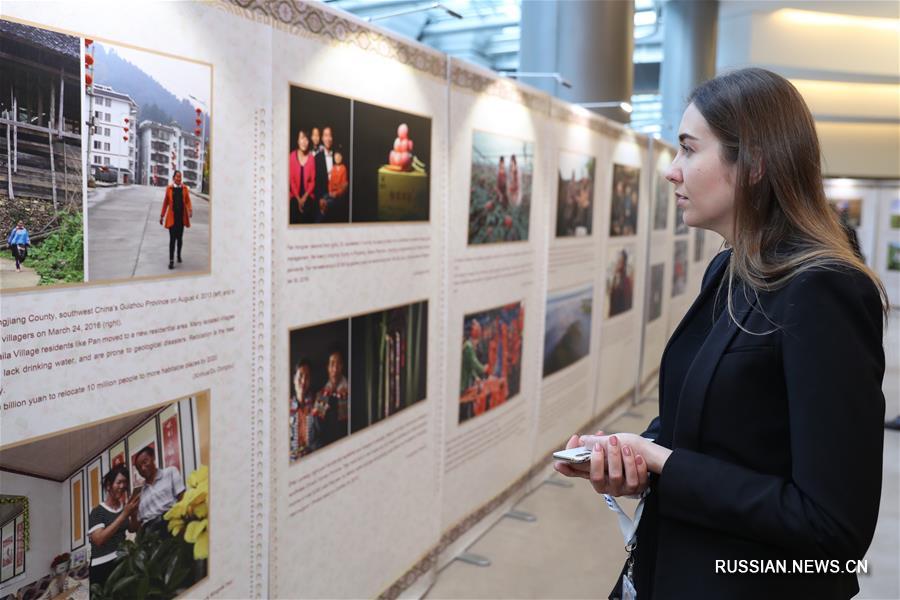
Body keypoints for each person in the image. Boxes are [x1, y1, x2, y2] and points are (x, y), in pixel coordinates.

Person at [555, 68, 887, 599]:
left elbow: (832, 530)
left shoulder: (824, 291)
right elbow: (708, 423)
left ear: (753, 164)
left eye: (688, 149)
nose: (672, 171)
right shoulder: (732, 268)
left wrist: (668, 463)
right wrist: (635, 455)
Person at [88, 465, 139, 588]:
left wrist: (133, 514)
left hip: (122, 561)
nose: (122, 486)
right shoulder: (97, 511)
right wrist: (124, 514)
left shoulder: (124, 507)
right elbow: (99, 539)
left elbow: (133, 528)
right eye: (119, 482)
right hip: (102, 566)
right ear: (108, 485)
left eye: (125, 482)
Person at [129, 446, 185, 537]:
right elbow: (135, 526)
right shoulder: (140, 493)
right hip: (150, 534)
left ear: (153, 458)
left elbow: (182, 498)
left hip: (171, 523)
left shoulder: (170, 472)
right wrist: (132, 513)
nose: (143, 468)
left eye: (145, 462)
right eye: (139, 468)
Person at [308, 349, 349, 450]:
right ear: (327, 368)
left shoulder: (351, 392)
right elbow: (314, 434)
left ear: (342, 366)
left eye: (338, 363)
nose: (335, 369)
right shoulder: (321, 396)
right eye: (332, 364)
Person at [159, 171, 193, 270]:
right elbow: (165, 203)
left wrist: (190, 209)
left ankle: (178, 254)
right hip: (172, 218)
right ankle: (171, 261)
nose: (179, 178)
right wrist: (162, 215)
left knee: (180, 239)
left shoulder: (185, 189)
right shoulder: (169, 189)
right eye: (177, 177)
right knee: (172, 240)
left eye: (180, 177)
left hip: (181, 219)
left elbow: (187, 201)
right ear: (174, 178)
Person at [289, 129, 317, 224]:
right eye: (302, 138)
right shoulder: (291, 156)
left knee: (308, 213)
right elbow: (291, 180)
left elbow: (313, 181)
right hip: (294, 195)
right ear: (297, 140)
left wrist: (304, 198)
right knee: (293, 209)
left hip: (307, 195)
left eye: (307, 139)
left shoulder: (311, 158)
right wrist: (298, 198)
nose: (304, 142)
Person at [290, 359, 314, 459]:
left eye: (307, 377)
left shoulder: (317, 404)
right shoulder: (285, 407)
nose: (303, 381)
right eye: (300, 376)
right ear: (294, 379)